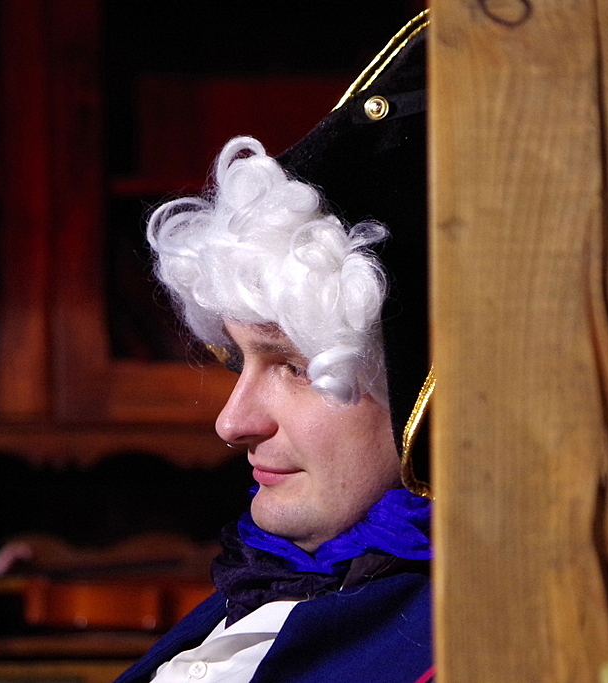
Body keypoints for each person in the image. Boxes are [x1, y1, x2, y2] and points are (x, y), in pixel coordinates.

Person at [114, 11, 434, 683]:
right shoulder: (276, 576)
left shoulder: (476, 637)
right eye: (240, 360)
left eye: (293, 366)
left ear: (423, 395)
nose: (231, 423)